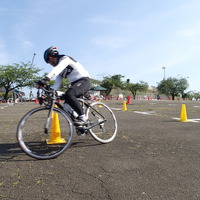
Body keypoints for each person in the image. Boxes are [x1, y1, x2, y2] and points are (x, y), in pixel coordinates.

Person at [36, 46, 91, 125]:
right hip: (75, 84)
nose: (50, 64)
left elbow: (57, 69)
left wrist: (47, 78)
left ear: (52, 57)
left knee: (69, 94)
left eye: (50, 61)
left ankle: (83, 118)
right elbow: (56, 85)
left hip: (84, 80)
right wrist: (46, 95)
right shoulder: (60, 71)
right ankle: (81, 125)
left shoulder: (65, 59)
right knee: (66, 105)